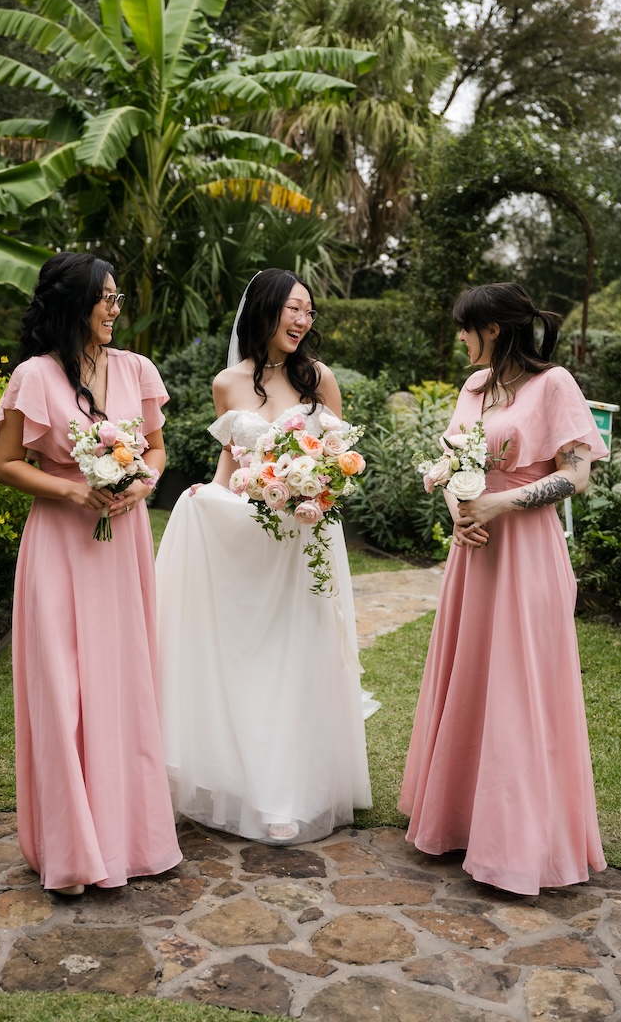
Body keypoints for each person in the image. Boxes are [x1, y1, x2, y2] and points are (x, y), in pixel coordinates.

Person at [399, 281, 607, 895]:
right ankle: (462, 820)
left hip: (525, 554)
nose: (460, 338)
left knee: (519, 688)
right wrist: (458, 511)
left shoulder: (555, 384)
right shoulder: (473, 387)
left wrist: (499, 503)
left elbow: (578, 474)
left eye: (466, 328)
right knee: (471, 681)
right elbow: (453, 462)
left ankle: (517, 841)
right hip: (474, 553)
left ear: (492, 328)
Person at [155, 268, 372, 845]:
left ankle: (289, 794)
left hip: (307, 537)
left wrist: (317, 488)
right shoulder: (228, 383)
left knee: (298, 658)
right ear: (267, 310)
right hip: (252, 538)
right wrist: (208, 495)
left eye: (309, 311)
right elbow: (231, 466)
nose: (302, 320)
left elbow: (340, 458)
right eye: (293, 309)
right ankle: (248, 783)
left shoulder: (319, 379)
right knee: (249, 659)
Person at [0, 252, 181, 895]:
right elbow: (7, 463)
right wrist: (70, 491)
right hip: (59, 546)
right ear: (73, 304)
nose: (114, 309)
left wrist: (141, 485)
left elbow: (155, 446)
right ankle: (70, 850)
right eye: (104, 297)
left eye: (118, 297)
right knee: (63, 686)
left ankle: (129, 838)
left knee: (120, 684)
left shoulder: (137, 369)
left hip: (121, 543)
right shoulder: (34, 378)